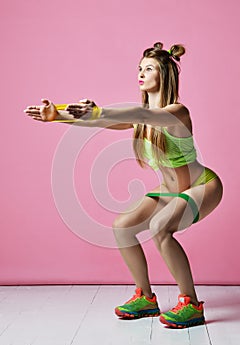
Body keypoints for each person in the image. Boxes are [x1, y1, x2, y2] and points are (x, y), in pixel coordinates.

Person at [24, 42, 223, 329]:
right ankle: (145, 298)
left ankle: (191, 303)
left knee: (160, 228)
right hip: (170, 192)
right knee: (123, 225)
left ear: (165, 75)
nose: (141, 73)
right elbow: (100, 122)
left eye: (149, 68)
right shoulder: (140, 118)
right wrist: (57, 114)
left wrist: (98, 111)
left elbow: (140, 115)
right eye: (140, 68)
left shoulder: (177, 112)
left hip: (203, 186)